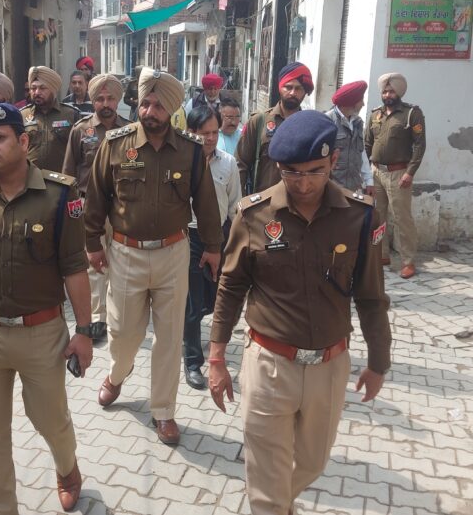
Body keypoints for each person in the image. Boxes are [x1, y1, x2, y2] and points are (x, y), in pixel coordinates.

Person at [207, 109, 391, 515]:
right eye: (292, 173)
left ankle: (280, 502)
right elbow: (231, 287)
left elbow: (372, 297)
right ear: (278, 166)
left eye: (314, 172)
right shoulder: (253, 215)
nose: (303, 183)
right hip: (269, 364)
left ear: (333, 162)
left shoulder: (359, 217)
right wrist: (216, 358)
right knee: (266, 479)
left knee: (313, 462)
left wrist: (379, 361)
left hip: (329, 367)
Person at [0, 103, 95, 514]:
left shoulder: (59, 193)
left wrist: (83, 332)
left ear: (23, 140)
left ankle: (67, 467)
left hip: (41, 334)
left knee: (50, 418)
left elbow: (74, 266)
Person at [84, 67, 222, 445]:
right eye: (145, 103)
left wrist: (213, 247)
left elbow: (206, 202)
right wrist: (92, 243)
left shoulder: (190, 150)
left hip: (173, 254)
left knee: (168, 338)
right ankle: (118, 374)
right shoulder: (116, 144)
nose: (149, 111)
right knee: (123, 334)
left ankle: (164, 410)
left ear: (172, 109)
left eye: (159, 106)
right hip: (125, 254)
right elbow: (96, 196)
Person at [62, 74, 131, 342]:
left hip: (121, 206)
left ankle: (117, 316)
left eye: (110, 98)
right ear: (93, 101)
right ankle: (97, 319)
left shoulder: (130, 130)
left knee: (120, 261)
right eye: (100, 99)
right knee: (93, 264)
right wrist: (69, 210)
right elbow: (68, 174)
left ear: (118, 100)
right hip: (88, 206)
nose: (105, 103)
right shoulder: (81, 130)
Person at [181, 106, 240, 390]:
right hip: (188, 237)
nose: (211, 138)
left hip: (219, 237)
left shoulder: (228, 163)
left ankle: (209, 343)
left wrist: (227, 243)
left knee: (218, 300)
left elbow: (234, 207)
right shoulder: (180, 162)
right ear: (190, 132)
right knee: (192, 305)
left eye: (215, 132)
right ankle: (192, 362)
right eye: (204, 133)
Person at [365, 72, 426, 279]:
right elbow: (367, 143)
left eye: (391, 91)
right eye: (384, 91)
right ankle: (381, 255)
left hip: (399, 174)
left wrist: (410, 172)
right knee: (378, 216)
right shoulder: (375, 114)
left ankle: (408, 261)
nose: (387, 95)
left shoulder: (411, 114)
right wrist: (367, 171)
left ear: (399, 92)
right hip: (376, 172)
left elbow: (419, 145)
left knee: (402, 219)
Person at [236, 62, 313, 195]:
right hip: (263, 202)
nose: (293, 93)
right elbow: (240, 164)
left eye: (298, 88)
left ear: (305, 92)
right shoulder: (259, 121)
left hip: (298, 200)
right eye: (288, 87)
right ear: (280, 87)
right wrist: (240, 200)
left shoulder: (310, 126)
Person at [21, 66, 81, 172]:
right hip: (30, 178)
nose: (37, 92)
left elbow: (80, 151)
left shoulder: (71, 114)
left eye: (42, 88)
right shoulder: (22, 115)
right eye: (33, 88)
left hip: (62, 178)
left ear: (53, 90)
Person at [324, 80, 373, 195]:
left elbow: (361, 152)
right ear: (352, 102)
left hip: (353, 187)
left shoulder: (358, 122)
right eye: (361, 100)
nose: (363, 104)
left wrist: (369, 181)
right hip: (332, 188)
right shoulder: (327, 121)